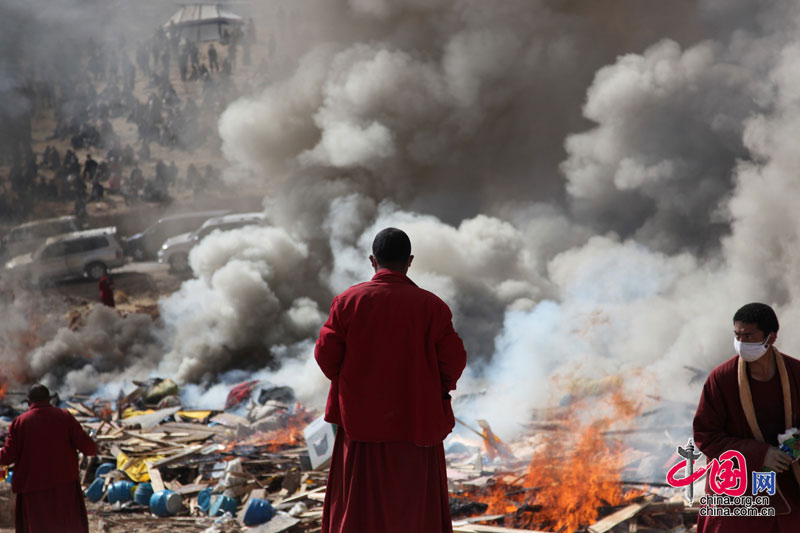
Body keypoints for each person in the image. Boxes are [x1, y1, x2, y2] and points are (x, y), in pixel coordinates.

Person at [315, 227, 467, 533]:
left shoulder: (348, 302)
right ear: (409, 261)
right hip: (416, 428)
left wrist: (354, 384)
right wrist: (429, 389)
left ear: (373, 260)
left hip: (360, 429)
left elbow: (326, 357)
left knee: (359, 514)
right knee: (415, 515)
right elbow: (453, 363)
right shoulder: (432, 307)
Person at [693, 303, 800, 532]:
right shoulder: (722, 379)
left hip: (789, 484)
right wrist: (761, 454)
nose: (741, 343)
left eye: (748, 336)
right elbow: (706, 436)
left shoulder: (796, 373)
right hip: (739, 491)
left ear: (770, 338)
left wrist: (795, 444)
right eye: (737, 335)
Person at [0, 384, 98, 533]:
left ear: (28, 402)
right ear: (49, 400)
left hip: (33, 492)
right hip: (64, 489)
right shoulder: (65, 417)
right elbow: (89, 449)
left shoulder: (20, 423)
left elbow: (7, 457)